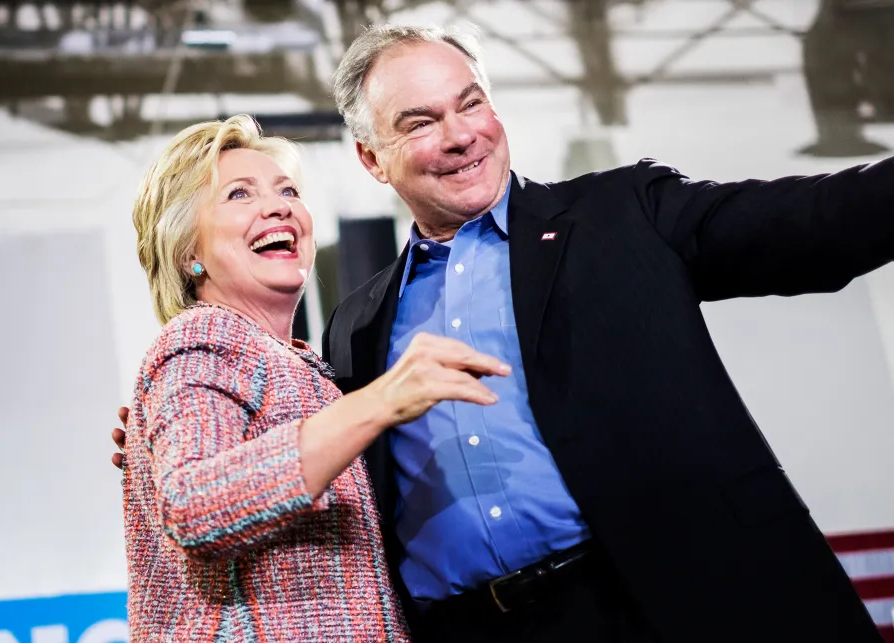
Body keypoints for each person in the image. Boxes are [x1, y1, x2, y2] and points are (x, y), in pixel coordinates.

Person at [319, 25, 892, 643]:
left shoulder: (622, 214)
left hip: (678, 601)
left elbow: (811, 223)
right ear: (372, 157)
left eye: (471, 102)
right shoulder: (357, 324)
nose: (462, 136)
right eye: (420, 123)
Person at [121, 113, 511, 642]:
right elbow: (192, 506)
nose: (279, 205)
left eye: (288, 190)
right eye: (238, 195)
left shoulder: (301, 363)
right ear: (188, 251)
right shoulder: (202, 338)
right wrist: (380, 403)